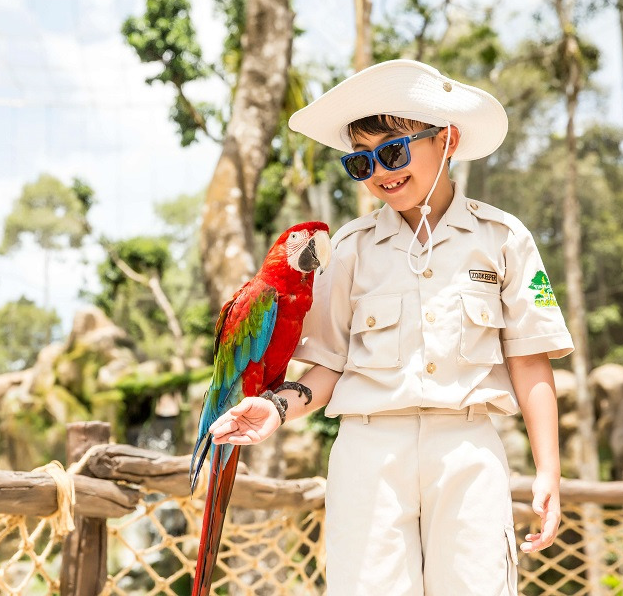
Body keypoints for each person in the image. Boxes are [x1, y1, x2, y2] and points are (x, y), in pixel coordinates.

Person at [207, 59, 574, 596]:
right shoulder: (347, 249)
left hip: (469, 450)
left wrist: (549, 471)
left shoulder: (503, 238)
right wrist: (277, 408)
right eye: (361, 161)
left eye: (394, 152)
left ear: (447, 140)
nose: (380, 172)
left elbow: (529, 359)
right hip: (369, 456)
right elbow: (328, 366)